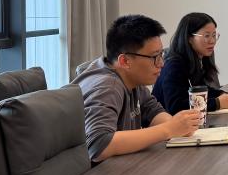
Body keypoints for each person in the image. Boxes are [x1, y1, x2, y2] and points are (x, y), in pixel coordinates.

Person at [73, 14, 203, 162]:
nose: (161, 63)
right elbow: (99, 145)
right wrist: (168, 129)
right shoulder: (107, 86)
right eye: (154, 57)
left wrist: (179, 126)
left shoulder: (130, 77)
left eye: (161, 54)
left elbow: (152, 111)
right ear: (125, 61)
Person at [152, 12, 228, 115]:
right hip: (163, 122)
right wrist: (217, 103)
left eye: (214, 35)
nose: (212, 41)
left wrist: (221, 94)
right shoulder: (173, 65)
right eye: (207, 36)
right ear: (189, 38)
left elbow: (200, 90)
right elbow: (175, 107)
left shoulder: (196, 60)